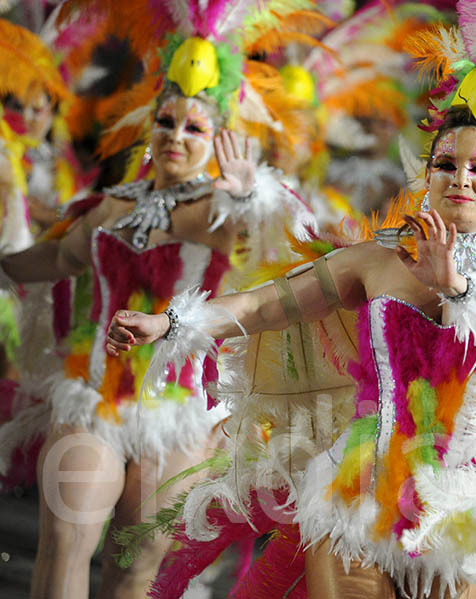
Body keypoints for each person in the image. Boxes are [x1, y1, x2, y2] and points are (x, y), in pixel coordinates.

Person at [104, 2, 476, 596]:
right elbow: (262, 307)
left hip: (464, 503)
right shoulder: (378, 258)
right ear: (428, 172)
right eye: (446, 164)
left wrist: (458, 287)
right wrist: (172, 322)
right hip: (359, 486)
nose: (460, 178)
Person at [0, 13, 306, 597]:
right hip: (95, 399)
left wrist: (251, 194)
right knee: (64, 548)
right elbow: (55, 260)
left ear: (216, 140)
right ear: (149, 125)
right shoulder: (110, 208)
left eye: (195, 128)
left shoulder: (215, 209)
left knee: (137, 570)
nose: (176, 136)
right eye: (167, 121)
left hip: (179, 413)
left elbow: (273, 239)